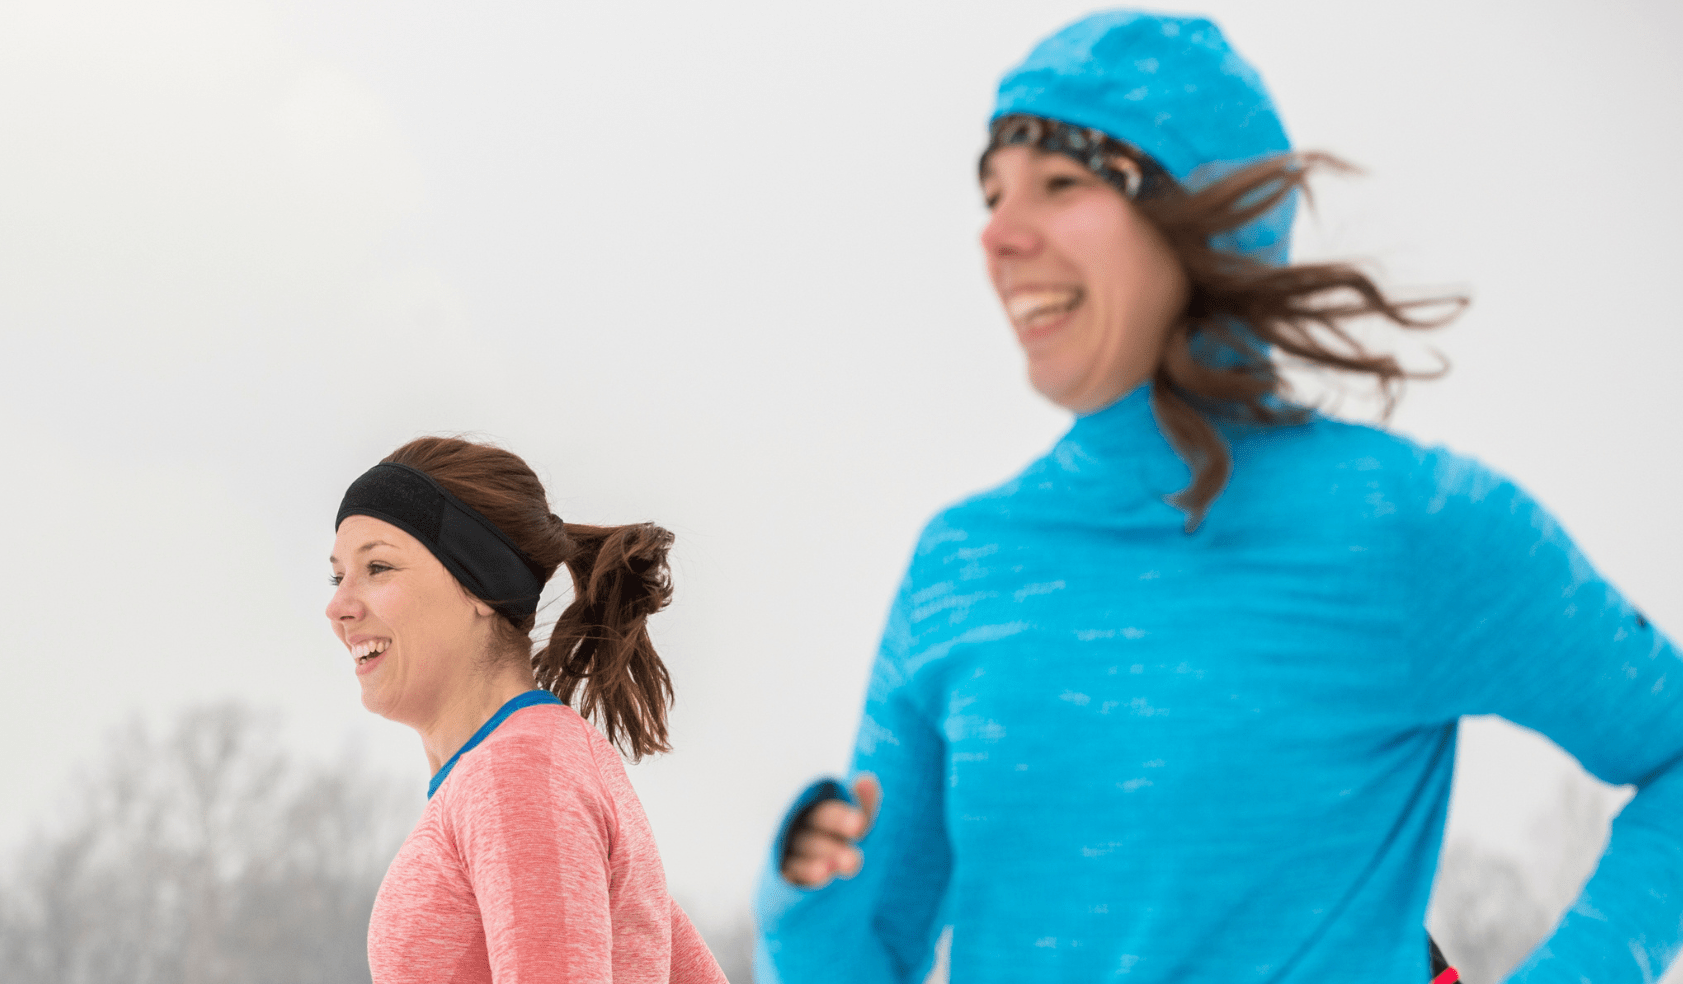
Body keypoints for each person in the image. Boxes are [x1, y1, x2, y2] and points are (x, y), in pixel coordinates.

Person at [752, 11, 1682, 984]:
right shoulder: (962, 564)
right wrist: (813, 893)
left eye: (1060, 184)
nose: (998, 235)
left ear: (1198, 221)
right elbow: (862, 960)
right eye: (990, 196)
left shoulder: (1403, 524)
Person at [328, 436, 728, 984]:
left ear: (478, 584)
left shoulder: (519, 775)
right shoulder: (534, 766)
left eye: (378, 567)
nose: (338, 606)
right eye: (337, 575)